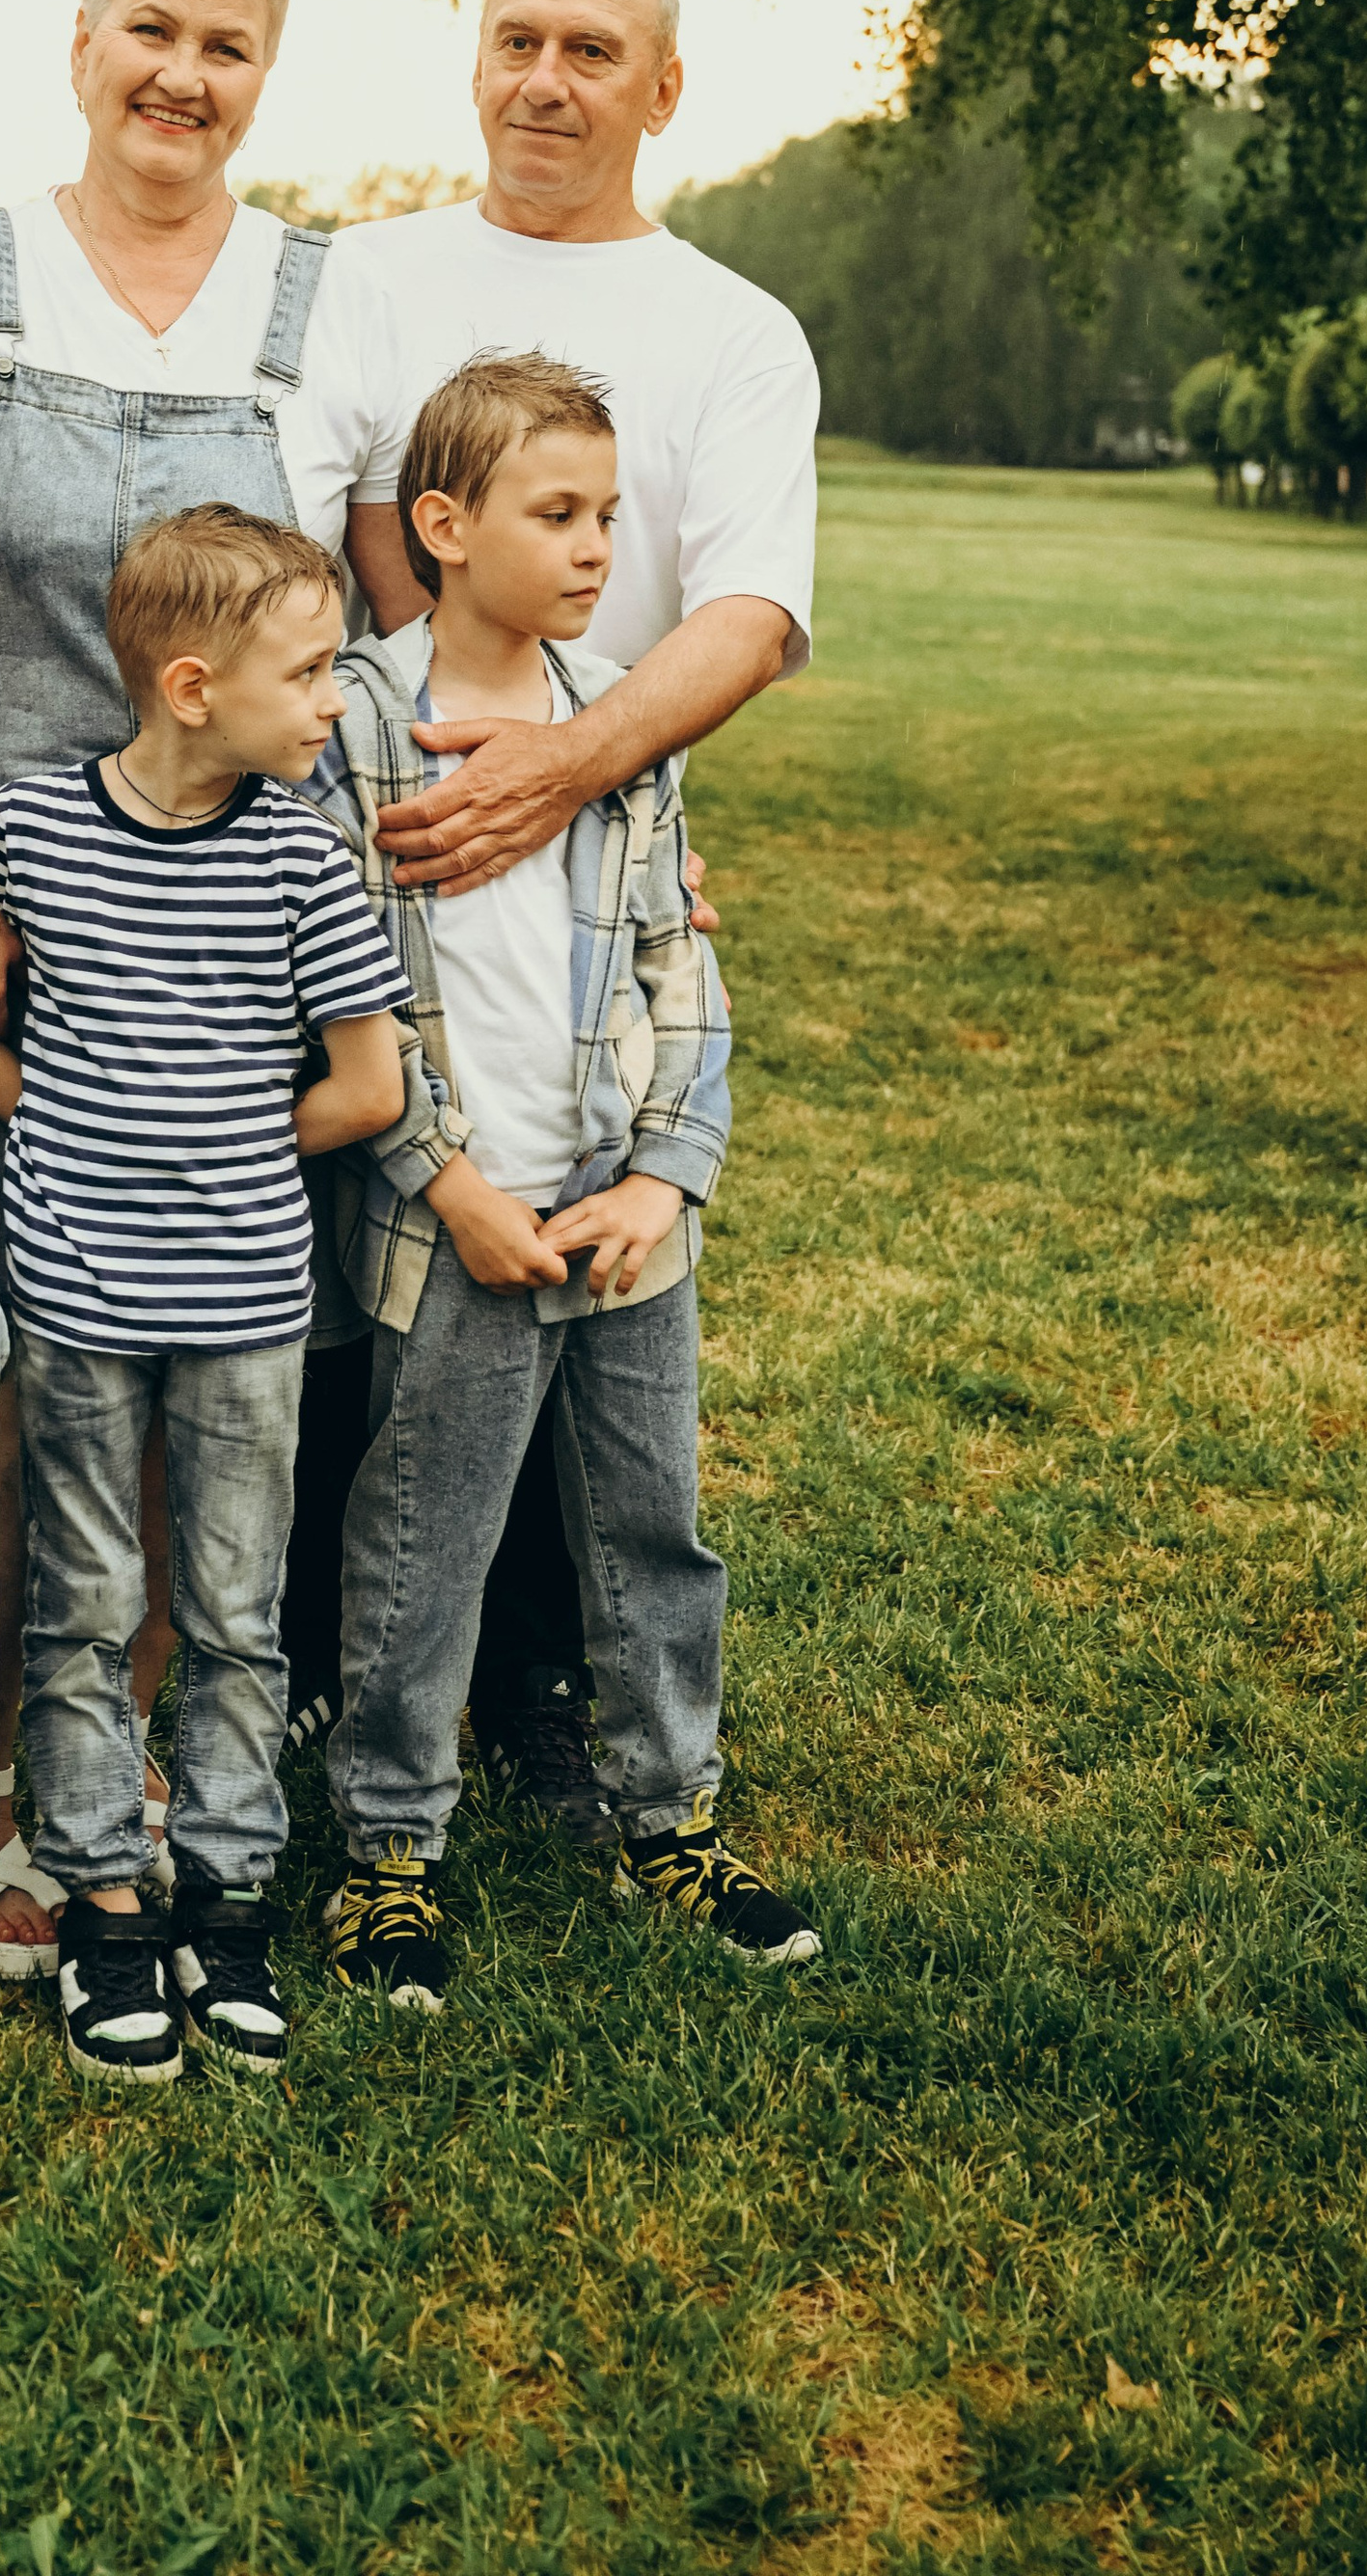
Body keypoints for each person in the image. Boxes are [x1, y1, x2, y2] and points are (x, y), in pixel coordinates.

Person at [0, 0, 412, 1971]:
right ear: (79, 44)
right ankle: (6, 1762)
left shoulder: (321, 299)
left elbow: (380, 627)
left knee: (203, 1331)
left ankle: (167, 1754)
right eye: (146, 33)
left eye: (225, 48)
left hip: (252, 913)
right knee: (23, 1343)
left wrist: (582, 793)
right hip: (16, 905)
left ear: (266, 77)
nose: (180, 77)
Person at [286, 0, 822, 1827]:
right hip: (393, 822)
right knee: (397, 1295)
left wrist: (574, 784)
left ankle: (536, 1692)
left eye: (588, 50)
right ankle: (343, 1698)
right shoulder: (370, 271)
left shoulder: (731, 329)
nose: (540, 79)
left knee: (579, 1268)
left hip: (597, 844)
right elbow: (354, 522)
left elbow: (750, 611)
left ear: (657, 89)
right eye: (510, 39)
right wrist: (409, 747)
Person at [306, 352, 818, 2001]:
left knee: (650, 1523)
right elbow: (336, 987)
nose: (600, 544)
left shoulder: (616, 724)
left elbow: (682, 956)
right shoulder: (358, 725)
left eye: (611, 513)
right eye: (560, 513)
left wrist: (667, 1178)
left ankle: (668, 1810)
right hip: (452, 1224)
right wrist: (449, 1181)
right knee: (422, 1538)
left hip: (620, 1223)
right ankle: (389, 1850)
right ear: (443, 526)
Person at [0, 507, 415, 2081]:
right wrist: (66, 1116)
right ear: (190, 682)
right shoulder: (31, 832)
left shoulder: (304, 857)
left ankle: (225, 1906)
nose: (335, 704)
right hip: (76, 1298)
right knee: (82, 1611)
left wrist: (207, 1142)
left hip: (245, 1310)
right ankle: (103, 1906)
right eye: (308, 675)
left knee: (232, 1619)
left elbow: (367, 1087)